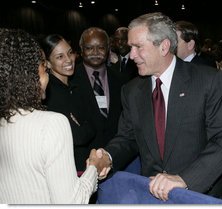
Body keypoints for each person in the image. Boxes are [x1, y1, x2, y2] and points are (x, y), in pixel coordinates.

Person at [96, 12, 222, 201]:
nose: (131, 55)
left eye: (138, 47)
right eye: (131, 47)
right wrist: (107, 156)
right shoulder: (131, 90)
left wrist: (185, 179)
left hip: (199, 196)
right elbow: (127, 137)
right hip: (152, 195)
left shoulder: (208, 81)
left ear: (164, 46)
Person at [0, 28, 109, 204]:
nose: (46, 75)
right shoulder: (52, 123)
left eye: (70, 53)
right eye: (43, 65)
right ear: (30, 72)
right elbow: (71, 202)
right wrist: (95, 168)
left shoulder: (6, 119)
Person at [70, 27, 127, 202]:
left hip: (116, 166)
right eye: (89, 48)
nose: (95, 53)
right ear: (81, 49)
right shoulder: (69, 80)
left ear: (108, 49)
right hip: (82, 169)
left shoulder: (121, 80)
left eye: (101, 47)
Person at [40, 34, 96, 173]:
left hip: (85, 167)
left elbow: (93, 124)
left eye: (70, 53)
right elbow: (79, 136)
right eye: (60, 57)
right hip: (66, 171)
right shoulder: (49, 93)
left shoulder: (77, 86)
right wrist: (87, 126)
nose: (69, 60)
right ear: (47, 63)